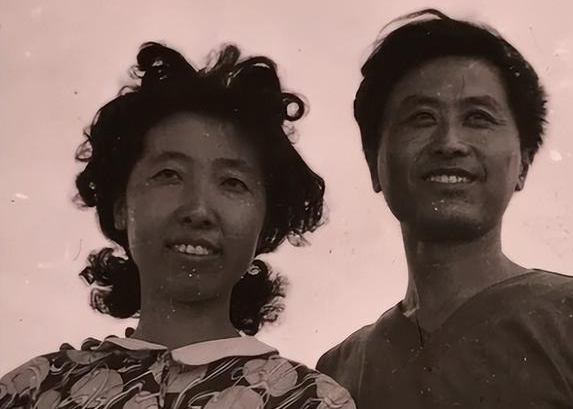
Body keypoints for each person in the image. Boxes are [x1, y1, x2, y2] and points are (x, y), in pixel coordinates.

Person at [0, 42, 355, 409]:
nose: (198, 210)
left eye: (233, 182)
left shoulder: (309, 400)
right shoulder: (32, 389)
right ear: (121, 206)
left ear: (265, 224)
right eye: (169, 174)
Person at [316, 8, 573, 408]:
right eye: (421, 118)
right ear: (374, 163)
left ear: (523, 163)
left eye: (478, 118)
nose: (450, 143)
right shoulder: (338, 374)